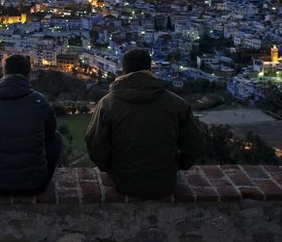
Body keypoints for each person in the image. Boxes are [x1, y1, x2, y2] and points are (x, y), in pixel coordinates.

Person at [85, 48, 204, 199]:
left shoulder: (107, 104)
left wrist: (111, 168)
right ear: (150, 68)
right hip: (164, 182)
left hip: (123, 181)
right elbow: (194, 143)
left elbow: (95, 145)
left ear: (123, 69)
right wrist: (176, 166)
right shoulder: (177, 104)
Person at [0, 54, 62, 196]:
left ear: (4, 74)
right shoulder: (40, 101)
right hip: (37, 184)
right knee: (57, 139)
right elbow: (50, 134)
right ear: (28, 76)